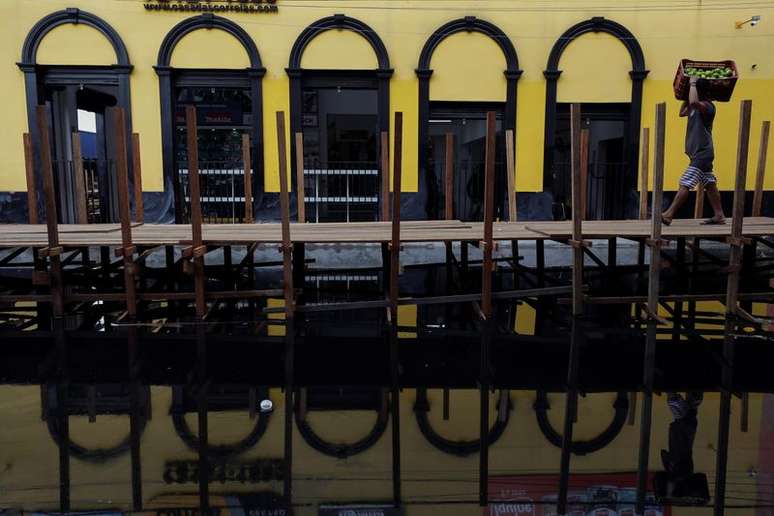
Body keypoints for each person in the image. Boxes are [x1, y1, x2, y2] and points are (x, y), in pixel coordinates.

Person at [661, 77, 725, 225]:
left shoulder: (708, 107)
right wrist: (686, 94)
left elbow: (695, 103)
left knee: (685, 182)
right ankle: (719, 215)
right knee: (710, 184)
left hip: (703, 153)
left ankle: (669, 214)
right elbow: (682, 112)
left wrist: (693, 84)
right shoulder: (692, 108)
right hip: (697, 153)